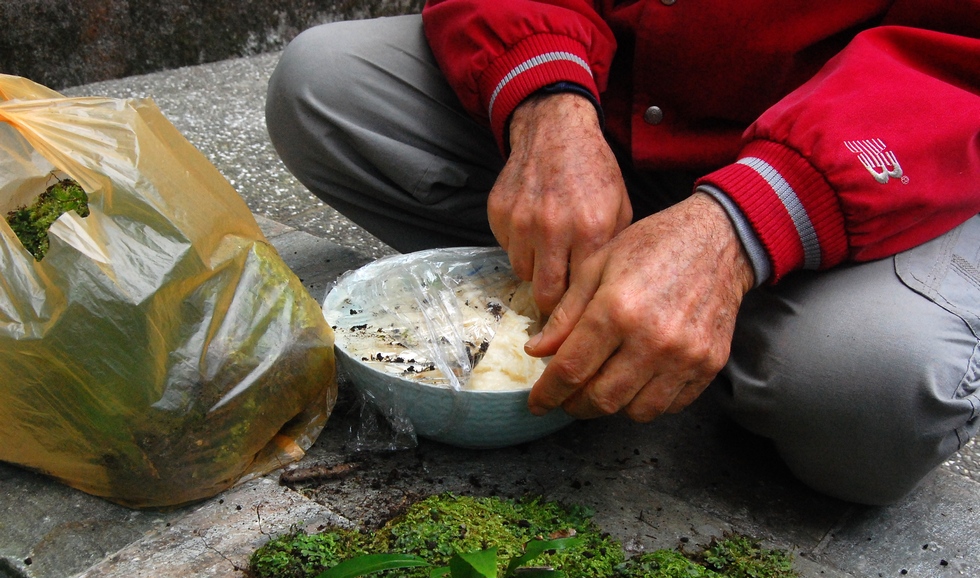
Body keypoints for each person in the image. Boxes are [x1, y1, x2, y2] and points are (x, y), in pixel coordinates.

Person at [265, 1, 980, 505]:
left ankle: (735, 324)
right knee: (321, 86)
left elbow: (957, 62)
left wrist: (743, 225)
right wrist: (546, 102)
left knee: (874, 394)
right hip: (619, 103)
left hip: (879, 156)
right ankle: (661, 314)